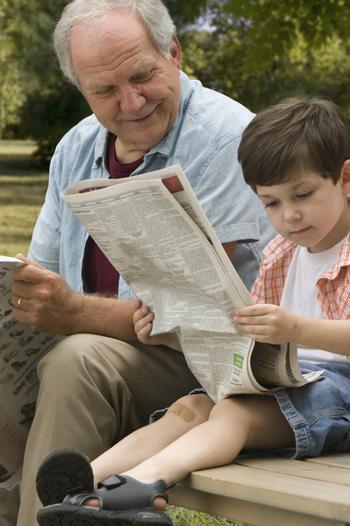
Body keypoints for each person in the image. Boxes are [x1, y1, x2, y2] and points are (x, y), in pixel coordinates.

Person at [2, 1, 274, 525]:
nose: (130, 102)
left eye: (142, 75)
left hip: (213, 368)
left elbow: (193, 316)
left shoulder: (227, 139)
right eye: (105, 90)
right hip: (117, 353)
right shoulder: (76, 147)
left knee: (76, 361)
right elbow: (43, 275)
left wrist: (73, 315)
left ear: (173, 53)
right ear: (82, 89)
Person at [33, 96, 350, 526]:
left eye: (303, 195)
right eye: (271, 203)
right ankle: (82, 484)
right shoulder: (282, 253)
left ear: (346, 179)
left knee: (232, 414)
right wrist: (169, 330)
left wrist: (295, 328)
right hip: (285, 380)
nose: (289, 215)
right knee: (190, 408)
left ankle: (141, 487)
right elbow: (246, 335)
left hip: (339, 393)